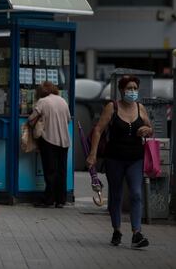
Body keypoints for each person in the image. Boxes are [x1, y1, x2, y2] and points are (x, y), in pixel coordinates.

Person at [86, 75, 152, 248]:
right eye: (129, 88)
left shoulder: (140, 108)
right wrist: (92, 154)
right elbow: (98, 130)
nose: (132, 92)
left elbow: (149, 129)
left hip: (135, 158)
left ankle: (136, 233)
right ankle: (117, 230)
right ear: (122, 90)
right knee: (116, 195)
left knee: (136, 194)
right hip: (114, 158)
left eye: (135, 88)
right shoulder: (112, 107)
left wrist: (147, 130)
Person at [28, 81, 71, 208]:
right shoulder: (63, 100)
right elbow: (68, 119)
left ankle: (49, 199)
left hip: (49, 140)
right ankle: (61, 200)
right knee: (61, 171)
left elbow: (31, 119)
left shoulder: (43, 101)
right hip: (64, 141)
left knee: (50, 171)